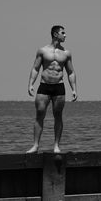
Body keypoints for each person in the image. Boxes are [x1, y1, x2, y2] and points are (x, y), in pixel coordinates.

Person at [26, 25, 77, 153]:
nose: (65, 35)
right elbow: (35, 68)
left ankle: (56, 146)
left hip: (59, 87)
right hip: (44, 86)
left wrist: (74, 89)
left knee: (58, 116)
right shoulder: (42, 51)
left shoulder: (66, 53)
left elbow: (71, 72)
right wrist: (31, 84)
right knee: (40, 115)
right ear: (55, 34)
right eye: (63, 33)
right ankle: (36, 146)